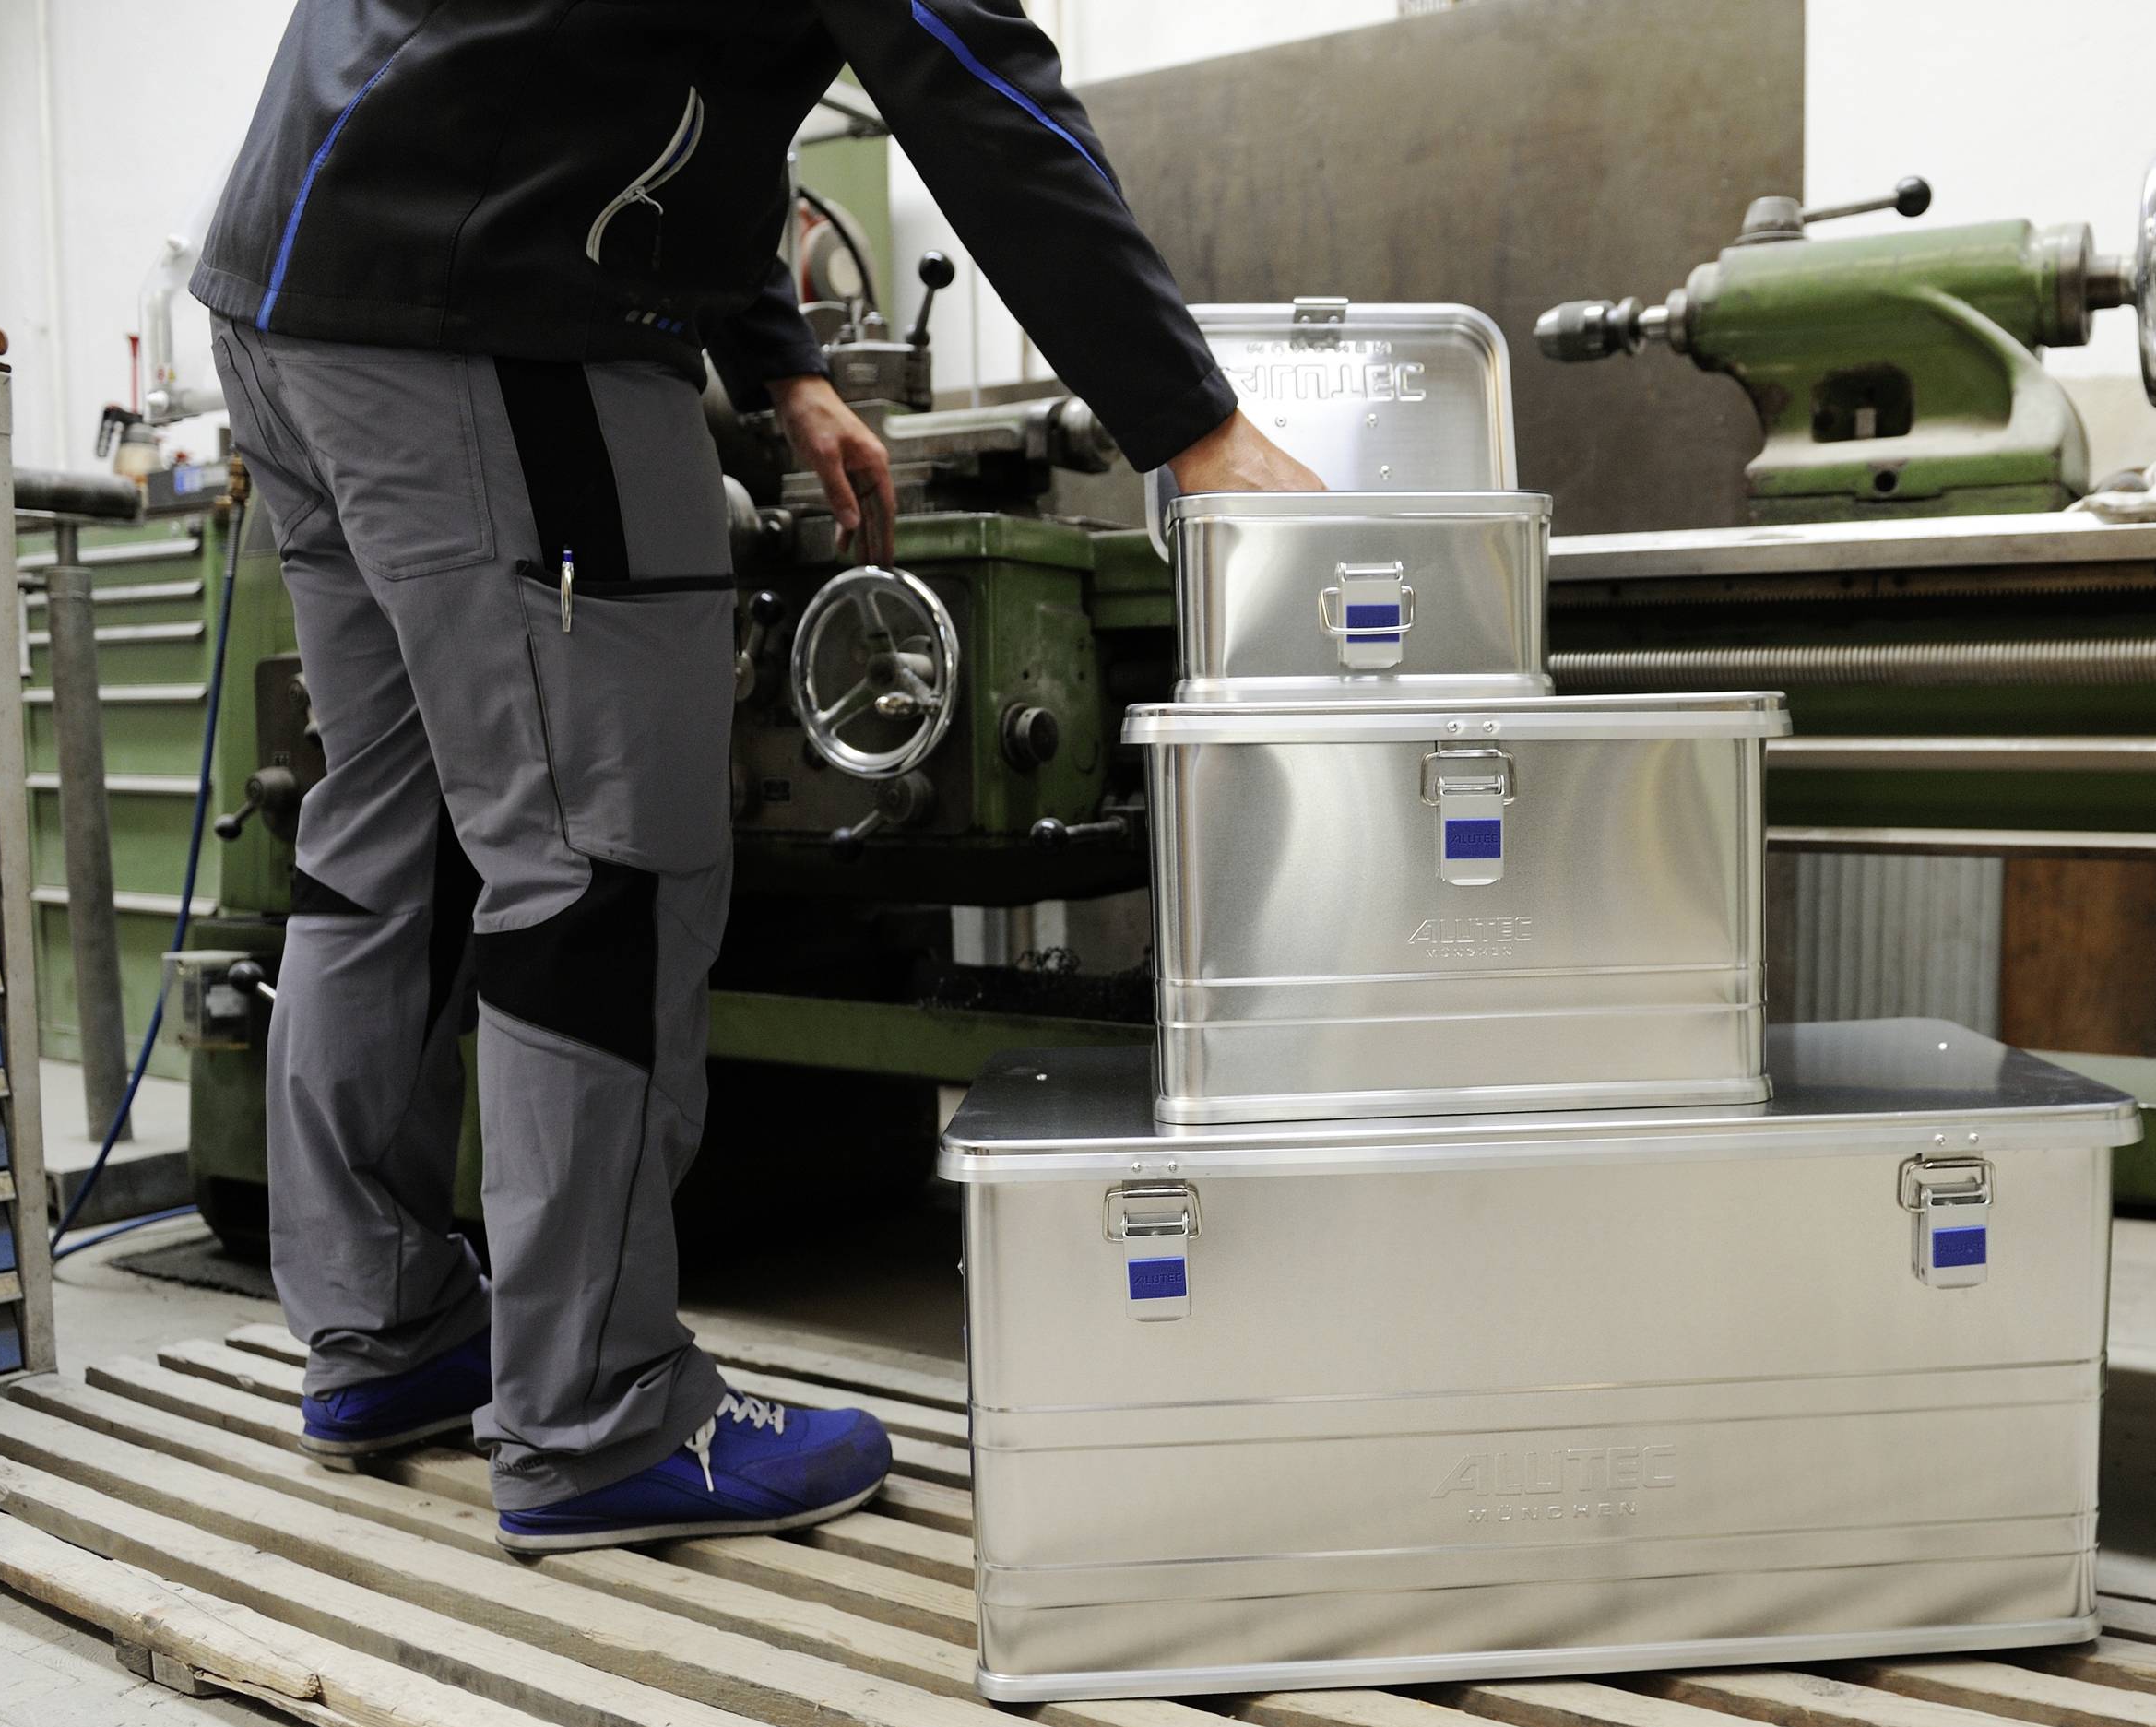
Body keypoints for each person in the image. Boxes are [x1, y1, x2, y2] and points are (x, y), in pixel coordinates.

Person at [194, 1, 1321, 1554]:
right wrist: (1196, 430)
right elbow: (968, 76)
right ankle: (593, 1408)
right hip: (498, 310)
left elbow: (655, 71)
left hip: (302, 294)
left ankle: (385, 1330)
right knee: (598, 859)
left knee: (393, 833)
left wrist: (776, 361)